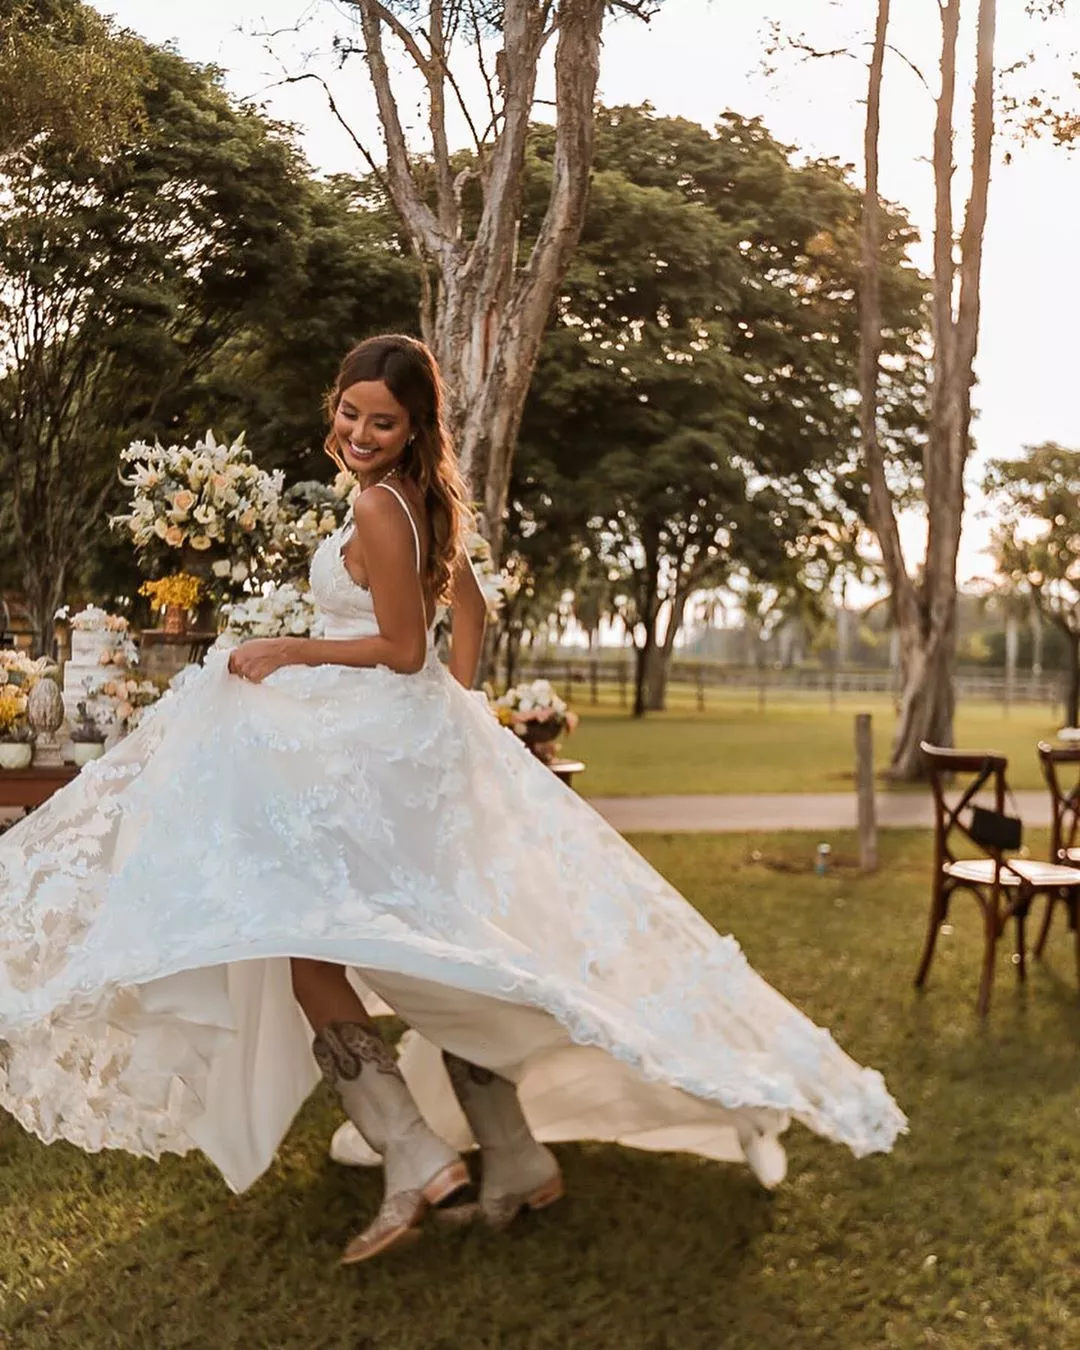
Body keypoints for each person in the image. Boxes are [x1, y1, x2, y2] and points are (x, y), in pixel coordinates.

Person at [0, 334, 905, 1267]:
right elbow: (464, 614)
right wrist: (450, 718)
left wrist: (293, 651)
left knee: (318, 956)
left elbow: (402, 648)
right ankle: (511, 1158)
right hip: (391, 755)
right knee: (436, 954)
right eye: (349, 412)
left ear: (412, 427)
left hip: (372, 752)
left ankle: (415, 1153)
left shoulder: (382, 508)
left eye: (381, 421)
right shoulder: (420, 500)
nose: (358, 431)